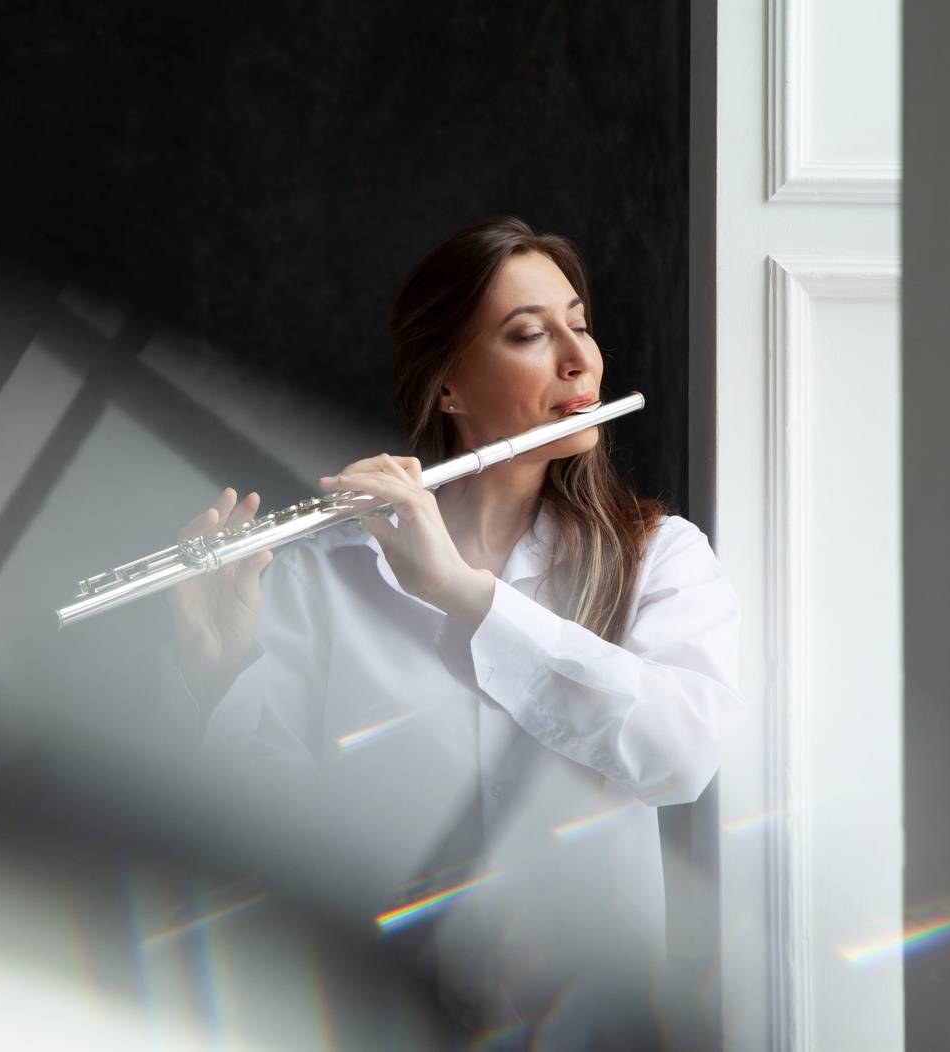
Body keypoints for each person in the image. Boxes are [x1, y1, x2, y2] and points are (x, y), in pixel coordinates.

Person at [162, 217, 742, 1047]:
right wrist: (219, 675)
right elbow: (268, 832)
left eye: (580, 325)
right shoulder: (324, 575)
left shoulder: (660, 557)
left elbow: (681, 755)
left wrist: (465, 594)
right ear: (448, 388)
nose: (579, 359)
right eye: (530, 334)